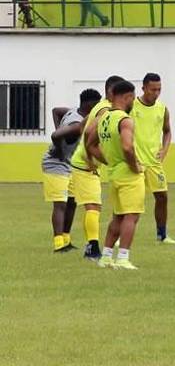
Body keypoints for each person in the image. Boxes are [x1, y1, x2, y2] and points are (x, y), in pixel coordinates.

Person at [87, 79, 142, 270]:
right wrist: (134, 166)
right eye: (133, 98)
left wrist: (108, 160)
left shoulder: (104, 118)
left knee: (118, 216)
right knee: (131, 216)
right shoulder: (125, 120)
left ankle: (106, 257)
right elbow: (127, 147)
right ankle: (123, 258)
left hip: (114, 173)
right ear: (127, 97)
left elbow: (90, 144)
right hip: (128, 174)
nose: (133, 102)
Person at [68, 75, 123, 260]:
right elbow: (89, 132)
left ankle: (91, 246)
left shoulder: (100, 107)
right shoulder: (105, 110)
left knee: (93, 206)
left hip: (85, 163)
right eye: (122, 94)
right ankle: (92, 247)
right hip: (85, 165)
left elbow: (83, 126)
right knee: (93, 206)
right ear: (111, 92)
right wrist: (89, 156)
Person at [42, 88, 101, 252]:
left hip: (70, 164)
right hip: (56, 163)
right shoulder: (76, 124)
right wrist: (59, 150)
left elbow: (56, 111)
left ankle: (66, 239)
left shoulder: (74, 111)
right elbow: (55, 135)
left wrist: (59, 126)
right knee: (60, 204)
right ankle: (58, 243)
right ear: (90, 105)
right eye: (96, 105)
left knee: (72, 201)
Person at [131, 73, 175, 245]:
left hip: (154, 162)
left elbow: (167, 131)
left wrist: (164, 150)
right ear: (143, 88)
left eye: (159, 89)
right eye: (153, 89)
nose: (156, 93)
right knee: (132, 200)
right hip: (135, 161)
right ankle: (120, 236)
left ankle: (162, 235)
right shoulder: (132, 106)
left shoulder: (162, 109)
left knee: (162, 197)